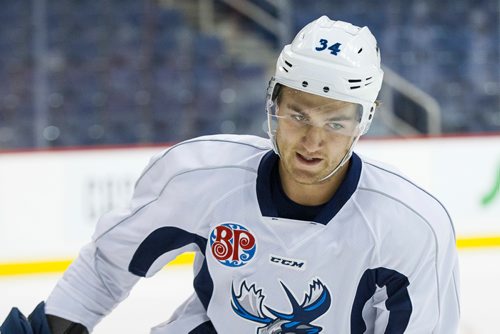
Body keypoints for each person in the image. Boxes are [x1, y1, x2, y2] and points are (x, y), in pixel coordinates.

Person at [1, 15, 460, 333]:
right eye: (298, 115)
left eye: (335, 123)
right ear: (273, 106)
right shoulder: (197, 178)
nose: (312, 141)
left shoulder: (412, 227)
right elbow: (106, 268)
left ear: (364, 123)